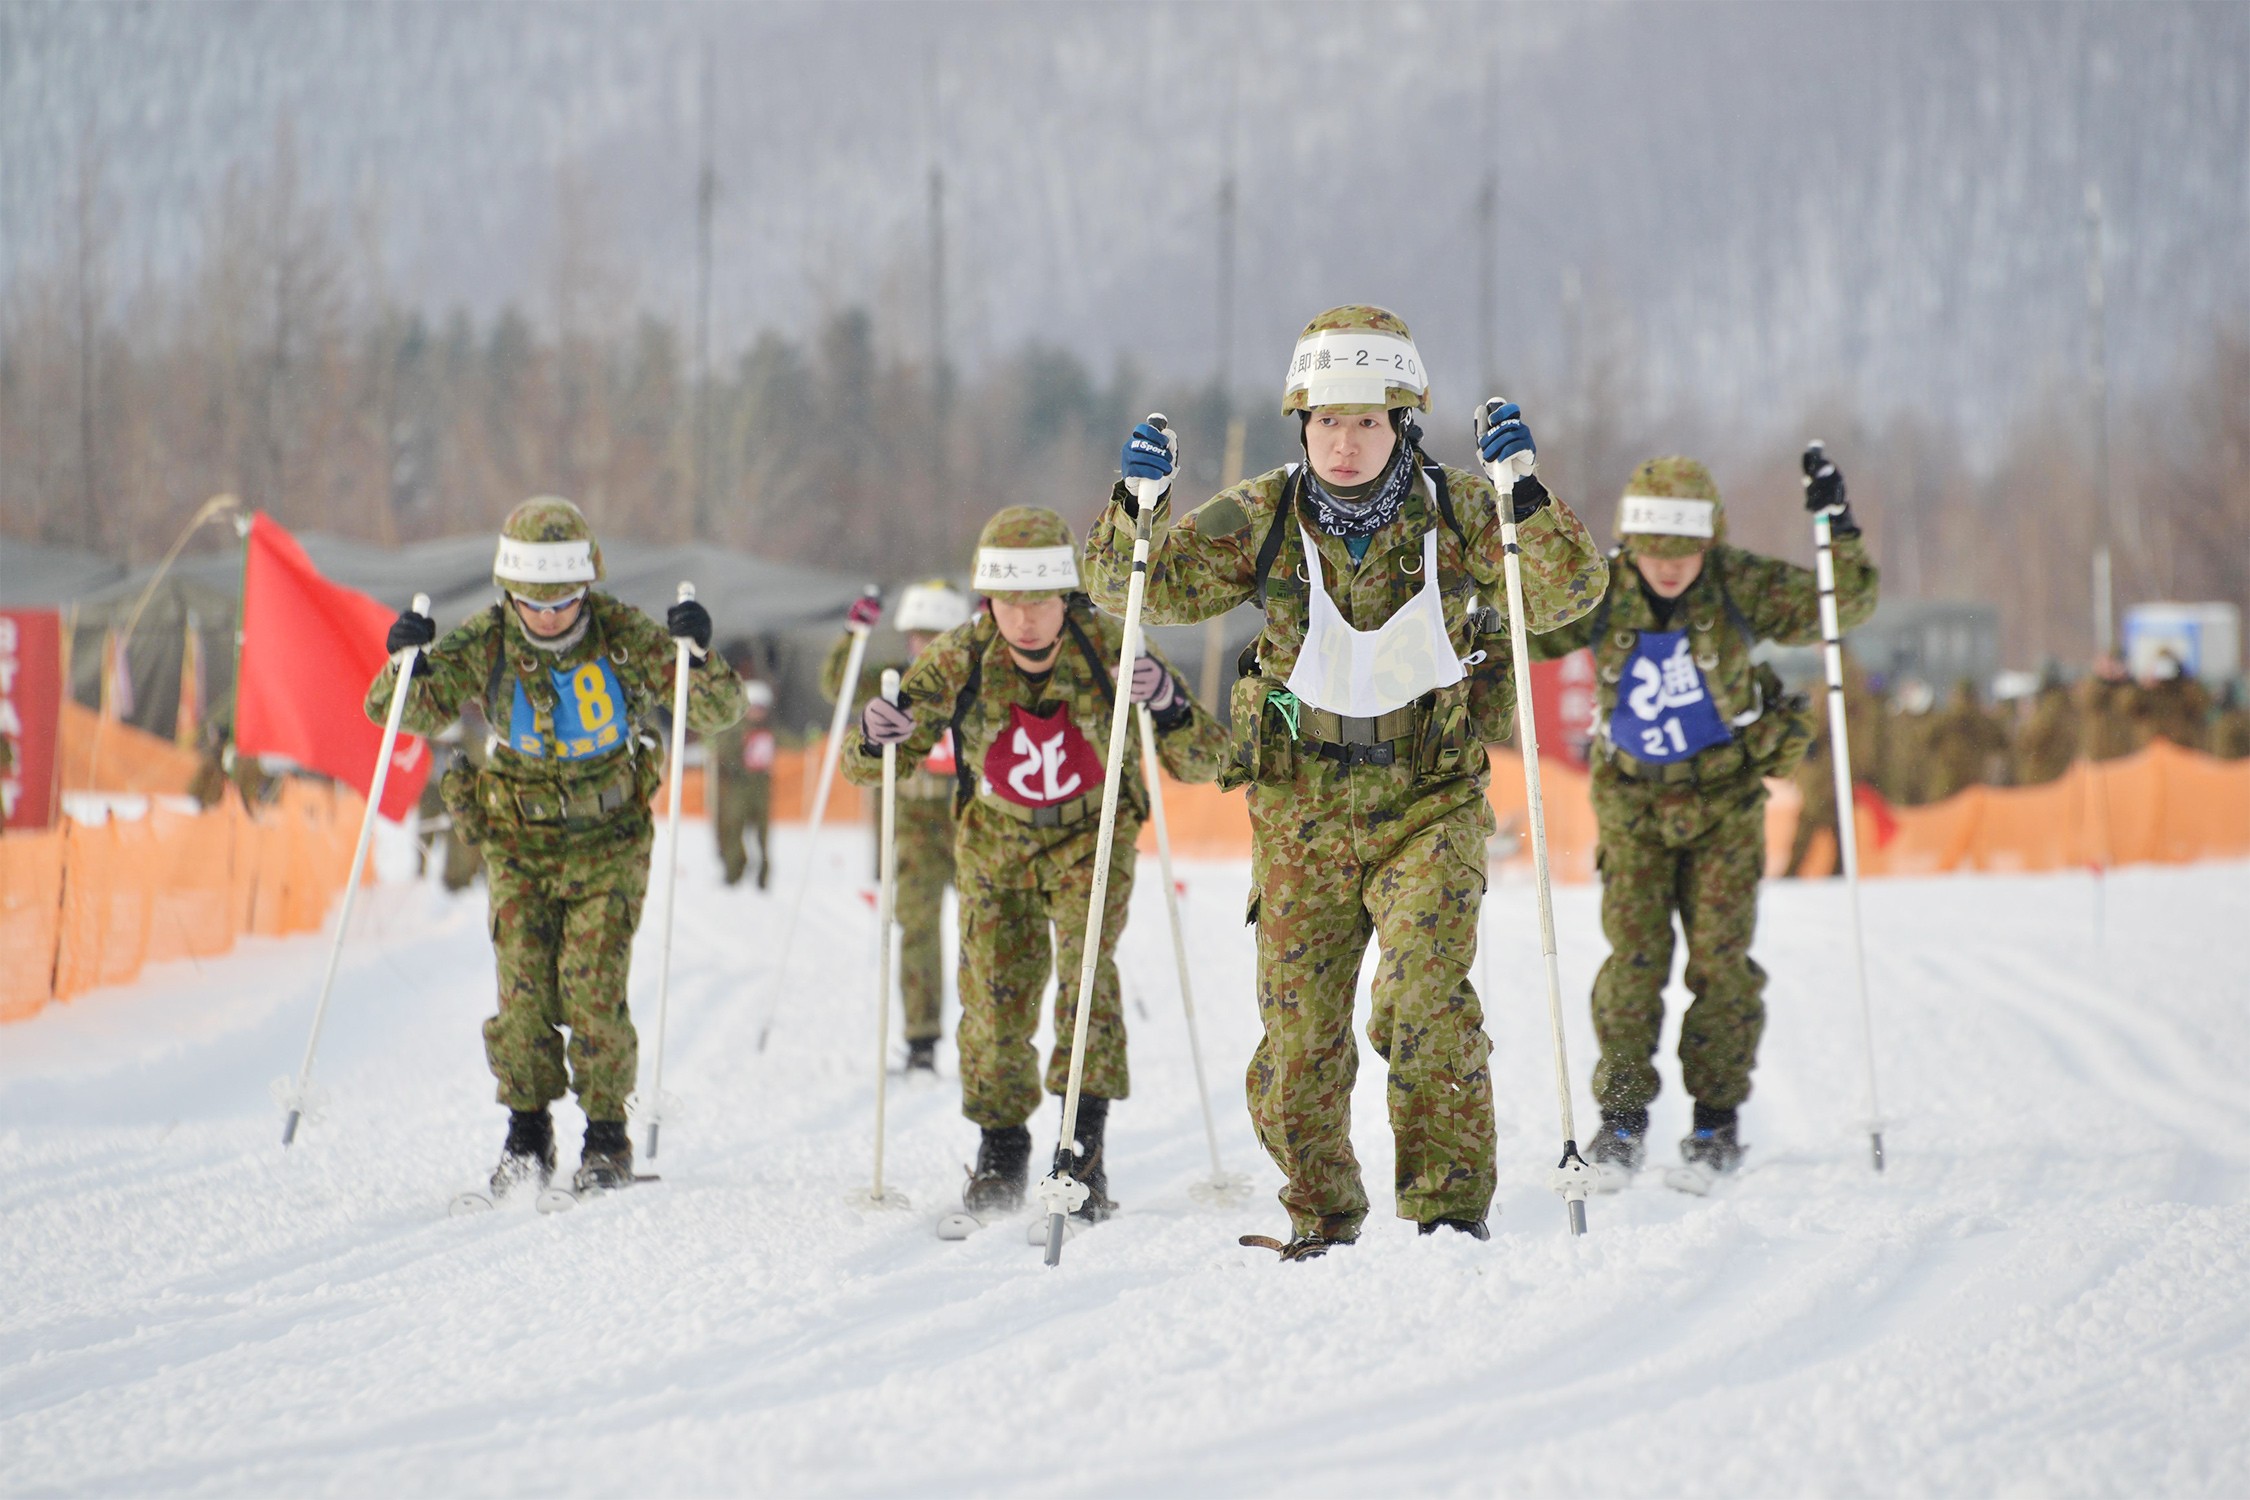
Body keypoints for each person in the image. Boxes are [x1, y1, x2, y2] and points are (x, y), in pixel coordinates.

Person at [1084, 306, 1605, 1258]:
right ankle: (1322, 1218)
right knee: (1296, 1046)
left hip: (1429, 798)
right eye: (1327, 420)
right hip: (1300, 808)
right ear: (1301, 422)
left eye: (1367, 421)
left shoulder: (1458, 509)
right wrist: (1134, 507)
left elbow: (1567, 592)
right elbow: (1134, 596)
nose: (1345, 441)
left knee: (1421, 1003)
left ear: (1404, 420)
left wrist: (1524, 495)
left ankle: (1449, 1215)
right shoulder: (1263, 515)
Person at [845, 509, 1225, 1223]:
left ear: (1067, 597)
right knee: (992, 997)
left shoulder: (1114, 647)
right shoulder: (961, 654)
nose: (1024, 621)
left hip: (1092, 833)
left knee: (1087, 981)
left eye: (1040, 602)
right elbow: (868, 768)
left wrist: (1168, 704)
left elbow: (1205, 759)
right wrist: (877, 736)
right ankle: (1001, 1147)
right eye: (1008, 603)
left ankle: (1082, 1153)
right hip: (994, 837)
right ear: (987, 601)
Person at [368, 497, 746, 1198]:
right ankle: (527, 1137)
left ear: (589, 588)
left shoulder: (621, 634)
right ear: (508, 592)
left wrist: (699, 654)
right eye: (532, 603)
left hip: (608, 840)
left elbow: (720, 712)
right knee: (523, 992)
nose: (547, 618)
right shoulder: (488, 639)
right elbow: (400, 715)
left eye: (564, 602)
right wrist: (406, 665)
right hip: (517, 842)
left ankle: (606, 1138)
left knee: (593, 988)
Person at [1529, 449, 1876, 1189]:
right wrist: (1512, 543)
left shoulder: (1738, 583)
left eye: (1684, 550)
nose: (1668, 566)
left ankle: (1716, 1123)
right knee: (1633, 966)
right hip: (1631, 804)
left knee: (1722, 967)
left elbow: (1840, 605)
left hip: (1723, 802)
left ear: (1708, 541)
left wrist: (1835, 527)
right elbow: (1527, 626)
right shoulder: (1602, 588)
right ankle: (1621, 1122)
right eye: (1654, 549)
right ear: (1631, 542)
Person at [822, 581, 971, 1071]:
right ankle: (922, 1040)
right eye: (915, 636)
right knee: (918, 928)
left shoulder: (980, 681)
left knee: (985, 927)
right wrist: (853, 634)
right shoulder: (895, 685)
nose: (921, 646)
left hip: (969, 817)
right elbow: (838, 685)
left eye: (933, 636)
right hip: (911, 822)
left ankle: (988, 1037)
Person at [710, 665, 776, 890]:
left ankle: (764, 874)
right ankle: (734, 871)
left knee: (763, 834)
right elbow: (723, 754)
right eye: (754, 707)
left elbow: (790, 742)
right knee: (734, 829)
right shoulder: (734, 729)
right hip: (738, 787)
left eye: (761, 708)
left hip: (761, 787)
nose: (758, 712)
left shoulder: (770, 729)